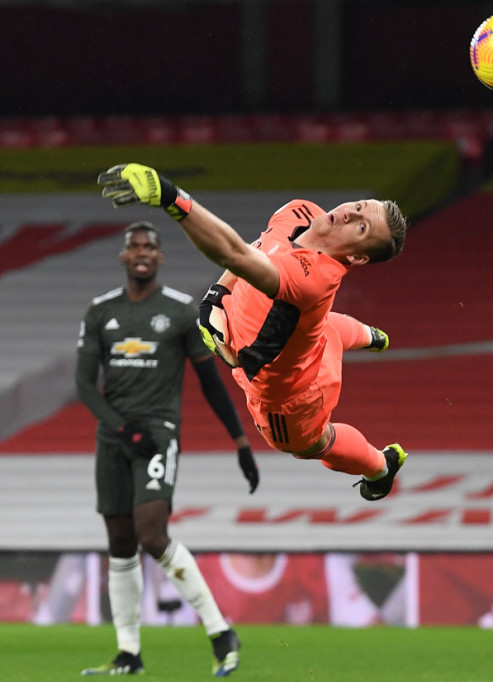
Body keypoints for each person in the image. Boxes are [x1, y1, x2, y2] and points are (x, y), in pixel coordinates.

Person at [97, 163, 409, 505]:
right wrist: (216, 295)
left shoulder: (311, 279)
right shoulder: (300, 211)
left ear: (356, 257)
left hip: (291, 397)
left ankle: (381, 467)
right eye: (360, 206)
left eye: (361, 226)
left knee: (312, 444)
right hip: (308, 339)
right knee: (321, 329)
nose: (350, 214)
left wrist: (174, 199)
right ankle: (370, 335)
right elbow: (258, 246)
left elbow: (234, 252)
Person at [76, 220, 258, 677]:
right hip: (114, 439)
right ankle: (128, 652)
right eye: (133, 245)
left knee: (151, 535)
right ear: (124, 256)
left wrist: (240, 442)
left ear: (160, 257)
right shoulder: (100, 312)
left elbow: (211, 383)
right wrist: (121, 428)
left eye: (149, 246)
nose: (141, 252)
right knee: (120, 544)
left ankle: (220, 632)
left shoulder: (179, 313)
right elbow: (83, 384)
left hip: (157, 435)